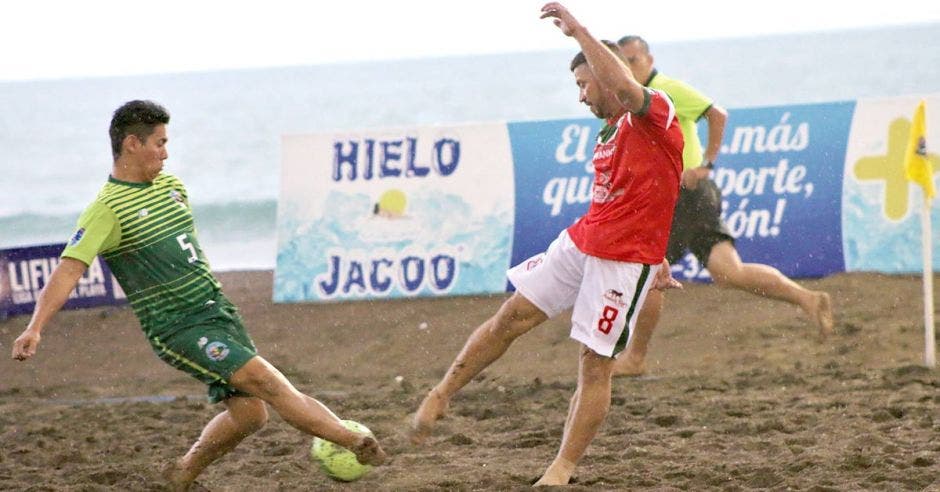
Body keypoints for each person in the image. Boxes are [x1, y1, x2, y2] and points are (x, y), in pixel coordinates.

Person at [10, 100, 386, 490]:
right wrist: (36, 327)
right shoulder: (106, 209)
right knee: (270, 384)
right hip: (178, 328)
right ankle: (353, 440)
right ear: (132, 144)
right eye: (159, 142)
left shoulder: (173, 187)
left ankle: (183, 473)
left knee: (250, 415)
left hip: (219, 312)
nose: (166, 152)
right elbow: (69, 268)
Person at [410, 3, 684, 486]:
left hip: (622, 265)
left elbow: (624, 88)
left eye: (584, 85)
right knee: (509, 317)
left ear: (606, 75)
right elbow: (644, 194)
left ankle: (560, 470)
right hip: (582, 242)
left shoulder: (655, 112)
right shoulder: (610, 132)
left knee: (593, 366)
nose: (581, 96)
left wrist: (578, 31)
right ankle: (442, 392)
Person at [611, 35, 835, 376]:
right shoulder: (633, 100)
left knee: (648, 272)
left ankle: (636, 358)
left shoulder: (666, 88)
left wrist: (706, 164)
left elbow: (717, 114)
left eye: (635, 60)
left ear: (649, 59)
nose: (630, 67)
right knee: (728, 272)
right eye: (623, 62)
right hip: (682, 195)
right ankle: (807, 298)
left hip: (688, 192)